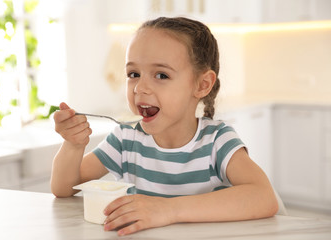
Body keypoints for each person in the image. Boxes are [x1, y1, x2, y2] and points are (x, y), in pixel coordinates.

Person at [51, 17, 278, 236]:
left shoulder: (216, 141)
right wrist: (72, 146)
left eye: (161, 75)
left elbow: (264, 197)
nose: (140, 87)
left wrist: (168, 209)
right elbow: (64, 189)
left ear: (202, 84)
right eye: (134, 74)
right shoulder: (125, 139)